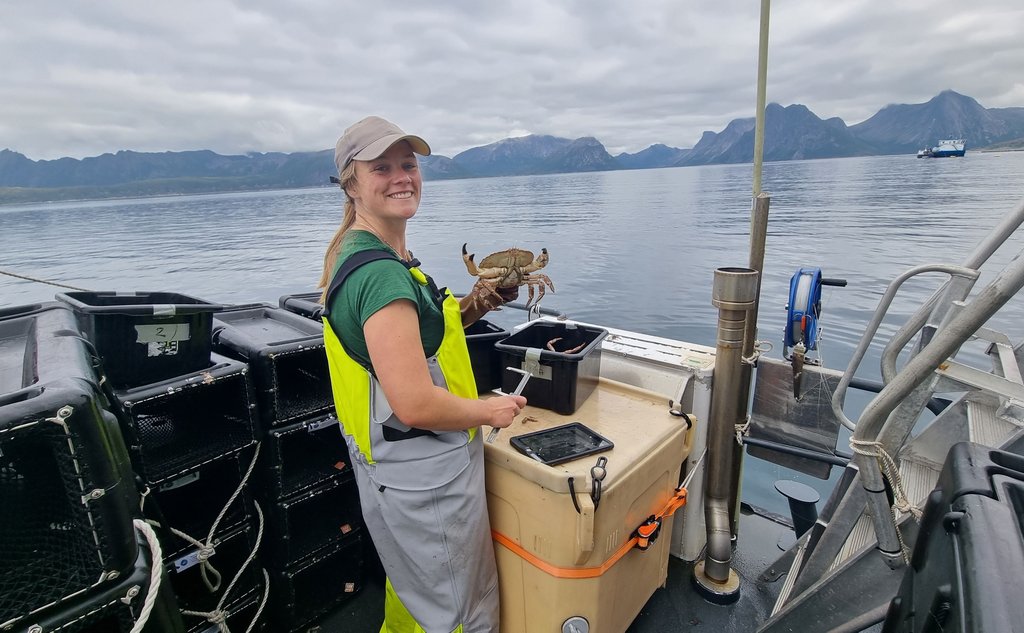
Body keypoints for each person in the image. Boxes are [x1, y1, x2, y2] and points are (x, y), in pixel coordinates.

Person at [318, 115, 526, 633]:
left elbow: (420, 334)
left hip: (391, 466)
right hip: (426, 475)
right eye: (381, 167)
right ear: (352, 183)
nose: (401, 176)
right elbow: (414, 402)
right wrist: (490, 411)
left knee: (415, 596)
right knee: (462, 612)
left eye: (408, 164)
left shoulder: (369, 255)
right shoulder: (381, 276)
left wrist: (478, 302)